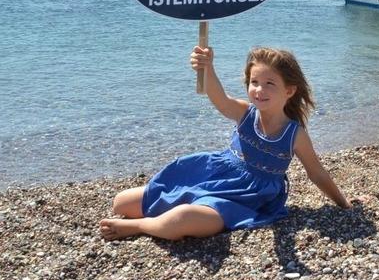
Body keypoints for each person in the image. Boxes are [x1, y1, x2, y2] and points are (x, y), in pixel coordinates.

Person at [99, 46, 355, 241]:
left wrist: (343, 204)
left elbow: (316, 172)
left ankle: (138, 227)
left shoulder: (294, 134)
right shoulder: (245, 113)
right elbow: (219, 98)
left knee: (181, 219)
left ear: (289, 91)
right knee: (121, 202)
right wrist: (206, 67)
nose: (259, 90)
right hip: (215, 176)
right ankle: (168, 208)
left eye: (269, 84)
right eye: (254, 82)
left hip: (246, 197)